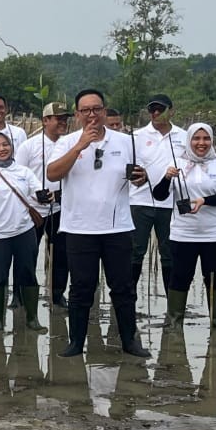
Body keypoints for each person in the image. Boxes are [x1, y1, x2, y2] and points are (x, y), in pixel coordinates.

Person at [46, 89, 151, 358]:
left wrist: (141, 178)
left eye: (97, 109)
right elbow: (53, 173)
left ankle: (129, 340)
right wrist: (79, 146)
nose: (92, 115)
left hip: (117, 227)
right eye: (86, 110)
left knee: (123, 287)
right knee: (81, 288)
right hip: (79, 227)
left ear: (105, 111)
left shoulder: (125, 141)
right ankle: (76, 342)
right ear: (78, 114)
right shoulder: (67, 141)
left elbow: (138, 175)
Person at [151, 123, 216, 329]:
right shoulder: (177, 163)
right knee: (180, 275)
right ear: (189, 141)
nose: (201, 143)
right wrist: (167, 177)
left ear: (212, 141)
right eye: (196, 139)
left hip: (214, 233)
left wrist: (203, 201)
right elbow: (159, 194)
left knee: (215, 275)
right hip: (183, 233)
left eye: (206, 139)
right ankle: (174, 320)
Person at [0, 131, 46, 332]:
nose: (2, 149)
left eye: (5, 144)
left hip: (24, 231)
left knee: (28, 274)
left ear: (11, 147)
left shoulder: (24, 171)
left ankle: (32, 318)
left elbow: (37, 191)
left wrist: (44, 195)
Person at [129, 94, 186, 293]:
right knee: (135, 251)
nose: (155, 113)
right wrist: (136, 178)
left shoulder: (184, 136)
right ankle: (128, 297)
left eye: (160, 109)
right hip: (139, 202)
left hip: (170, 204)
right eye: (151, 109)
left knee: (169, 253)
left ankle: (172, 302)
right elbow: (129, 168)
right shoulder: (136, 136)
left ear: (172, 111)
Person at [16, 102, 70, 307]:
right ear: (45, 121)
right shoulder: (29, 146)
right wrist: (33, 196)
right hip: (33, 210)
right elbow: (18, 177)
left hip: (60, 208)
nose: (63, 122)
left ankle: (57, 294)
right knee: (27, 253)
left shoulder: (70, 144)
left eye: (65, 118)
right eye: (58, 118)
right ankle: (21, 294)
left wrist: (62, 195)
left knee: (61, 255)